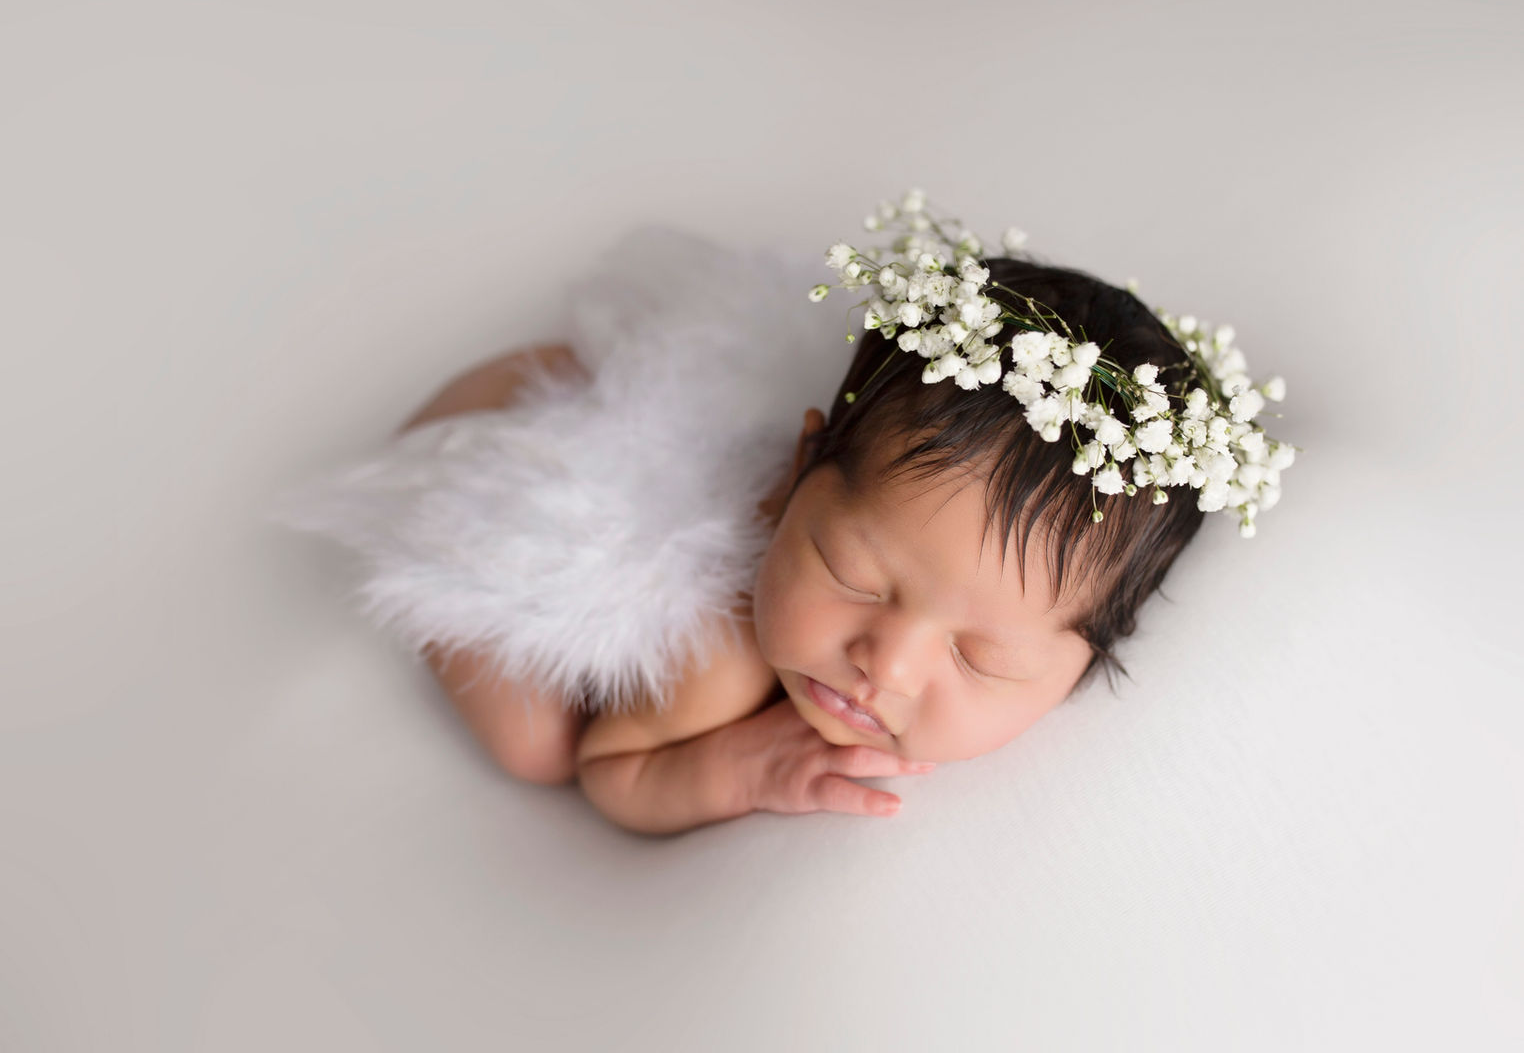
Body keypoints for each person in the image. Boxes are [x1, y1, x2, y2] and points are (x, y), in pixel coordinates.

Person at [270, 188, 1293, 837]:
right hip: (521, 459)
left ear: (1088, 658)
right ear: (795, 476)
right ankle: (501, 401)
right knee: (532, 748)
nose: (886, 664)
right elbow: (610, 769)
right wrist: (734, 766)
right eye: (855, 576)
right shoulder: (721, 656)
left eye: (983, 657)